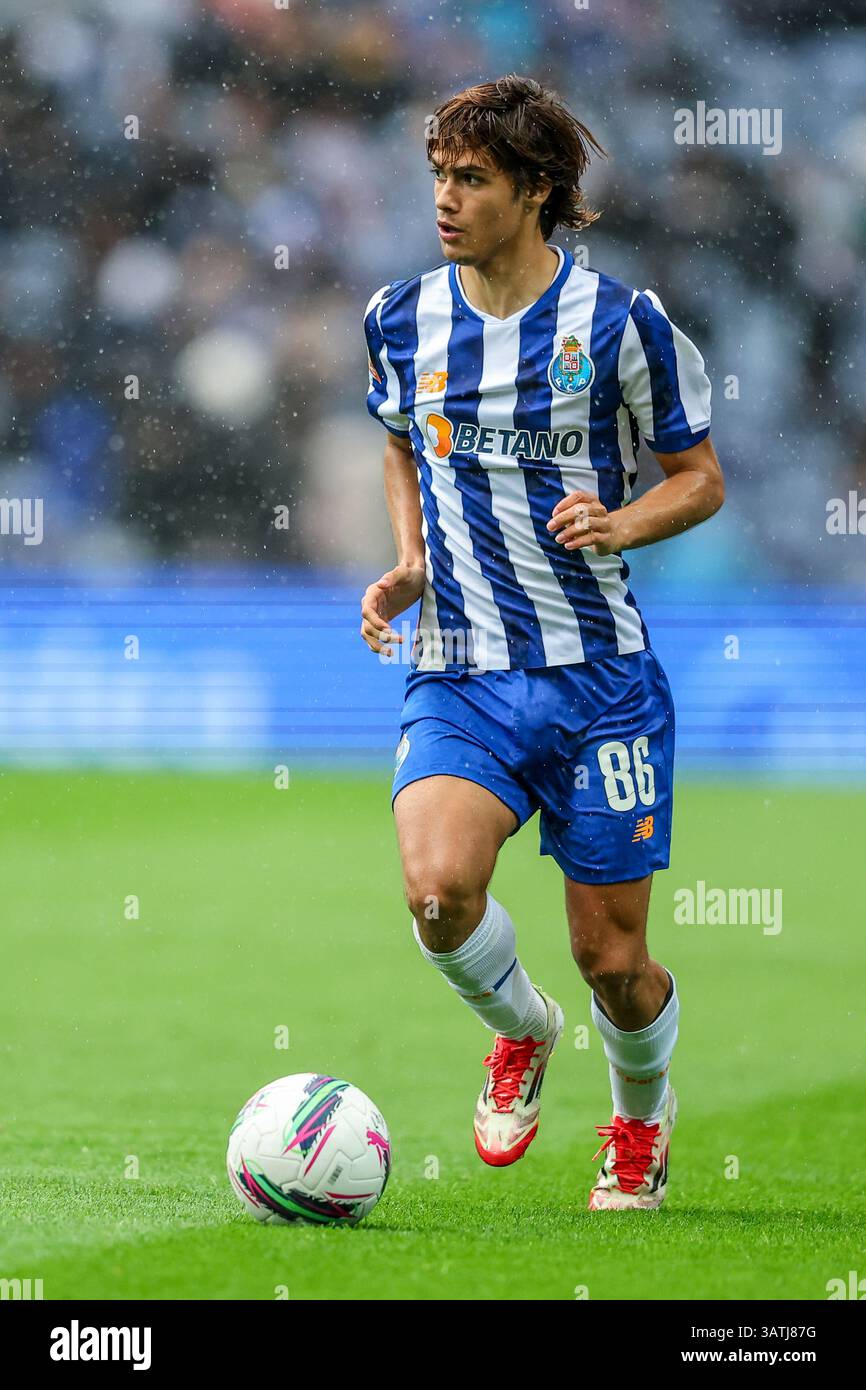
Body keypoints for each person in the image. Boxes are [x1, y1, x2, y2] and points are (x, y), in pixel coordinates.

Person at [359, 74, 724, 1209]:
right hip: (461, 670)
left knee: (612, 960)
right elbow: (399, 444)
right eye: (439, 177)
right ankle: (519, 1030)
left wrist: (620, 521)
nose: (445, 199)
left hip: (600, 681)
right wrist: (412, 560)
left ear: (535, 191)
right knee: (436, 892)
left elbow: (700, 480)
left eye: (470, 179)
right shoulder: (398, 318)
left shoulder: (622, 324)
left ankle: (636, 1118)